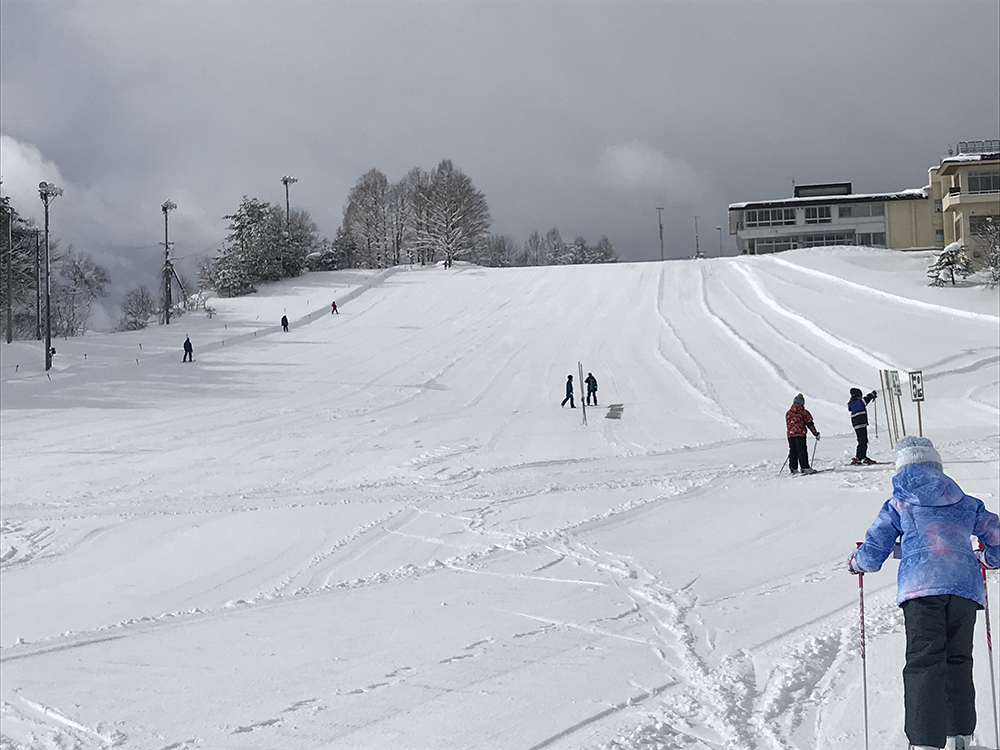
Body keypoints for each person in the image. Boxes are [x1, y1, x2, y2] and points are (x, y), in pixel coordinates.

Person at [847, 436, 999, 750]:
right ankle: (960, 737)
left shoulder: (899, 503)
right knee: (958, 659)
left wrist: (856, 563)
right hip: (963, 589)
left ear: (902, 469)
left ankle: (924, 743)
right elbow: (997, 537)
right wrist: (986, 558)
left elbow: (874, 551)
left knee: (924, 661)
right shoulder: (965, 502)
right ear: (937, 467)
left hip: (921, 588)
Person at [785, 393, 819, 474]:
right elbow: (810, 424)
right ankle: (805, 467)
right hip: (800, 435)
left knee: (793, 451)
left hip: (790, 435)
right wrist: (815, 433)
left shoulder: (788, 413)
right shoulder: (804, 413)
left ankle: (793, 468)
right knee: (802, 451)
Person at [848, 387, 878, 465]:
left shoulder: (852, 403)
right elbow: (865, 400)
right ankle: (861, 457)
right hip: (860, 423)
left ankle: (860, 456)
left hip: (858, 424)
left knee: (862, 440)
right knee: (863, 441)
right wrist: (871, 395)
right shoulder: (857, 403)